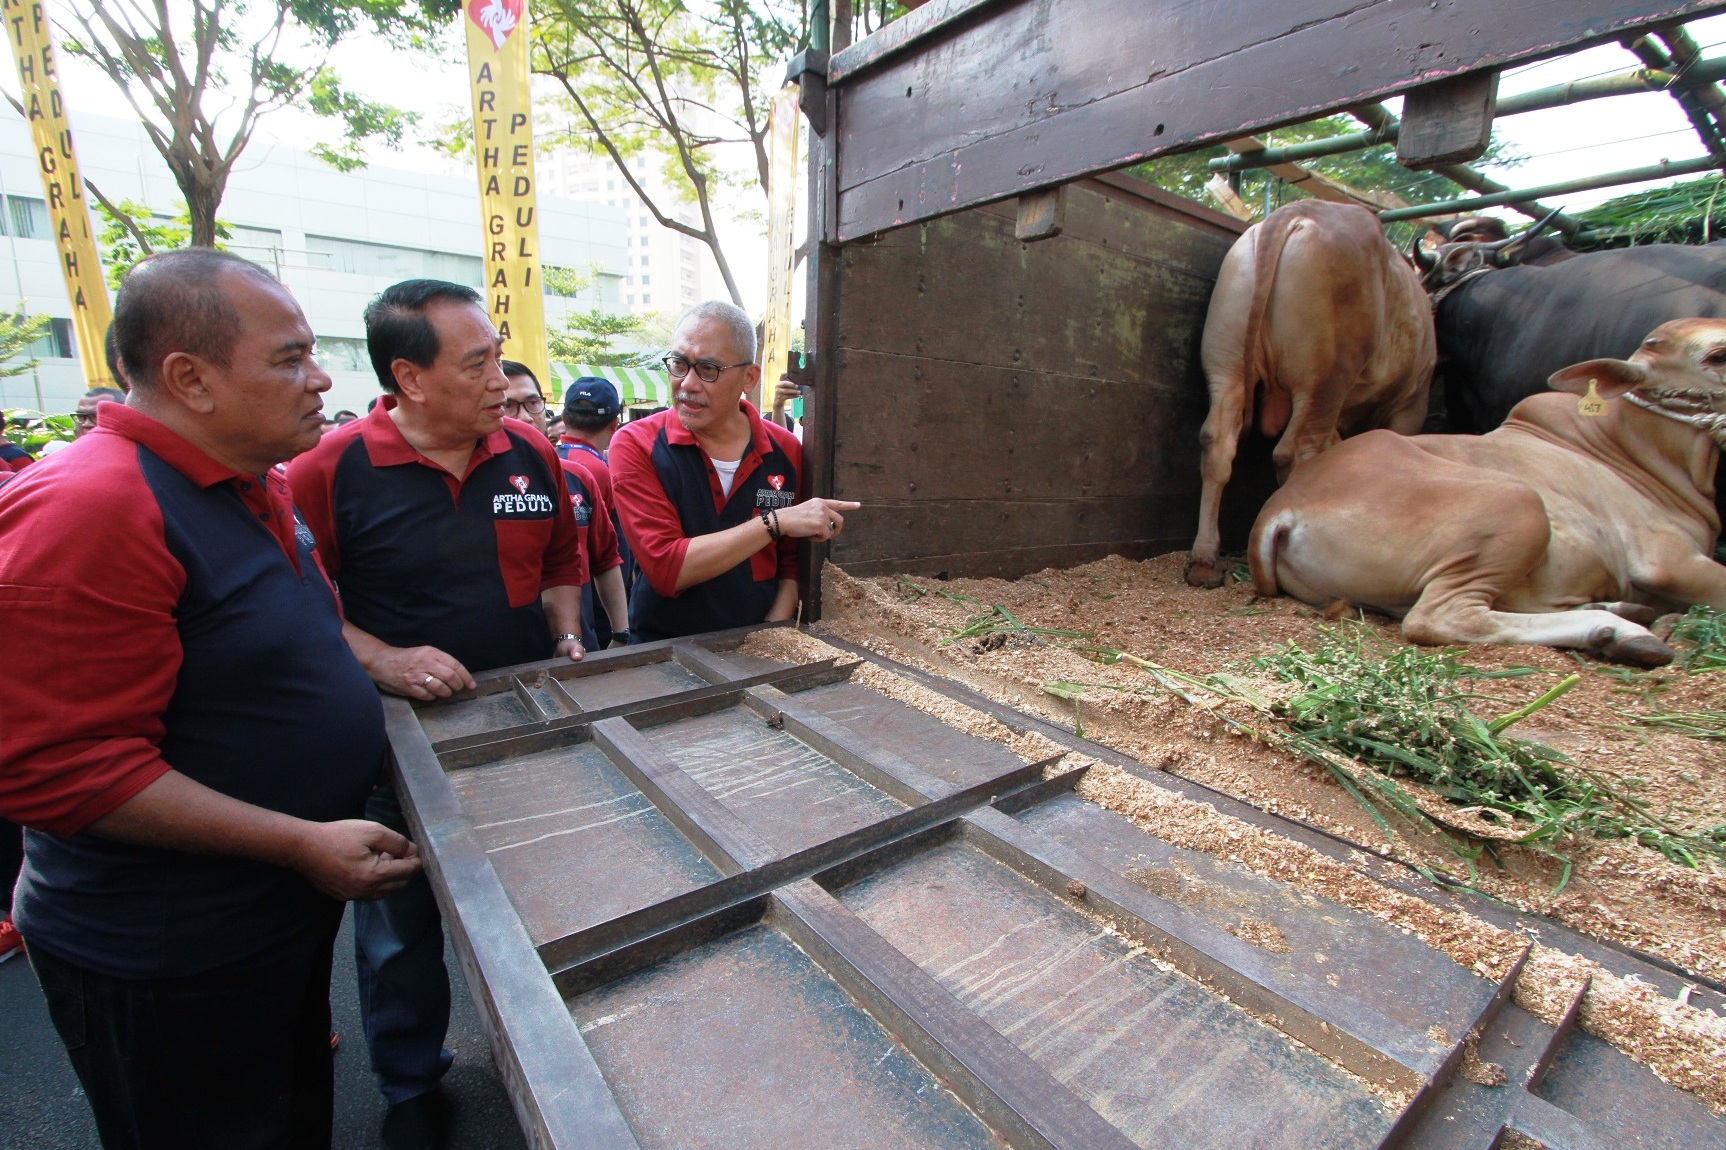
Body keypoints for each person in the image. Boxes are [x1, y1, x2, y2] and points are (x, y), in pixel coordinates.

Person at [0, 248, 419, 1150]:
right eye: (288, 358)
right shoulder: (92, 505)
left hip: (264, 925)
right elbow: (60, 769)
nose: (321, 378)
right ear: (189, 379)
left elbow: (282, 638)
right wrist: (298, 840)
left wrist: (375, 664)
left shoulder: (251, 482)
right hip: (166, 955)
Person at [287, 279, 586, 1150]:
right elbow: (298, 601)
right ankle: (411, 1082)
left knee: (549, 895)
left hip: (527, 725)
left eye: (498, 357)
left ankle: (556, 1049)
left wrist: (566, 630)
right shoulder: (327, 470)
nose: (503, 378)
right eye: (480, 362)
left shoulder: (529, 451)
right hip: (395, 747)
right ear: (409, 378)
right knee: (399, 928)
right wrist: (382, 659)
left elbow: (564, 557)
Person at [609, 300, 859, 641]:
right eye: (679, 364)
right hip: (662, 647)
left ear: (749, 377)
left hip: (759, 641)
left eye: (708, 369)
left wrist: (771, 632)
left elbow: (790, 562)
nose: (688, 384)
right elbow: (667, 568)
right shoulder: (636, 444)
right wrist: (776, 522)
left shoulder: (785, 449)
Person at [502, 361, 629, 649]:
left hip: (579, 645)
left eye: (533, 403)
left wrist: (620, 633)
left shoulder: (579, 476)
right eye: (508, 406)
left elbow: (608, 557)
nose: (524, 417)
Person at [556, 376, 633, 646]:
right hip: (592, 615)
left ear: (564, 416)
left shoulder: (543, 460)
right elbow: (614, 555)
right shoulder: (598, 470)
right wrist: (619, 629)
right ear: (615, 424)